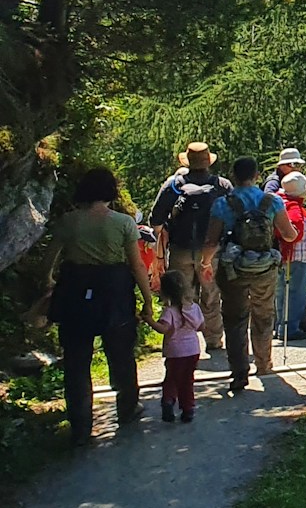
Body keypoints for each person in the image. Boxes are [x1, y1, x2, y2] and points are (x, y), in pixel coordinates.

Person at [44, 167, 154, 444]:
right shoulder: (123, 223)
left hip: (75, 290)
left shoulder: (69, 221)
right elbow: (136, 264)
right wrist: (148, 298)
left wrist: (48, 281)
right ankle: (127, 408)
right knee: (121, 354)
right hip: (114, 290)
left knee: (77, 361)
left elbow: (49, 259)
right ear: (110, 192)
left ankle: (81, 426)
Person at [207, 156, 296, 393]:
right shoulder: (272, 201)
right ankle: (264, 364)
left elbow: (211, 240)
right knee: (263, 315)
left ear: (234, 176)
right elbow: (289, 235)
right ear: (257, 176)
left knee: (235, 319)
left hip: (233, 269)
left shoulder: (222, 203)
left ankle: (239, 372)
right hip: (264, 268)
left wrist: (203, 264)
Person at [148, 143, 231, 352]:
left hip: (180, 250)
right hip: (211, 252)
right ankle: (214, 340)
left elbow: (155, 219)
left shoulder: (173, 185)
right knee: (212, 295)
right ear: (208, 162)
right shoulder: (222, 185)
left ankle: (182, 339)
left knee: (181, 295)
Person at [151, 270, 205, 423]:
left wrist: (149, 320)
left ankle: (168, 401)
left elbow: (164, 329)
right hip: (193, 350)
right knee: (187, 380)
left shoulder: (169, 311)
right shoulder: (194, 308)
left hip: (175, 351)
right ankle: (188, 409)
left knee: (172, 379)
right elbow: (201, 327)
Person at [275, 171, 306, 341]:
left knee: (282, 293)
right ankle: (290, 329)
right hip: (297, 257)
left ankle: (281, 326)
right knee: (296, 294)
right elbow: (296, 232)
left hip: (285, 257)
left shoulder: (281, 203)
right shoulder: (293, 207)